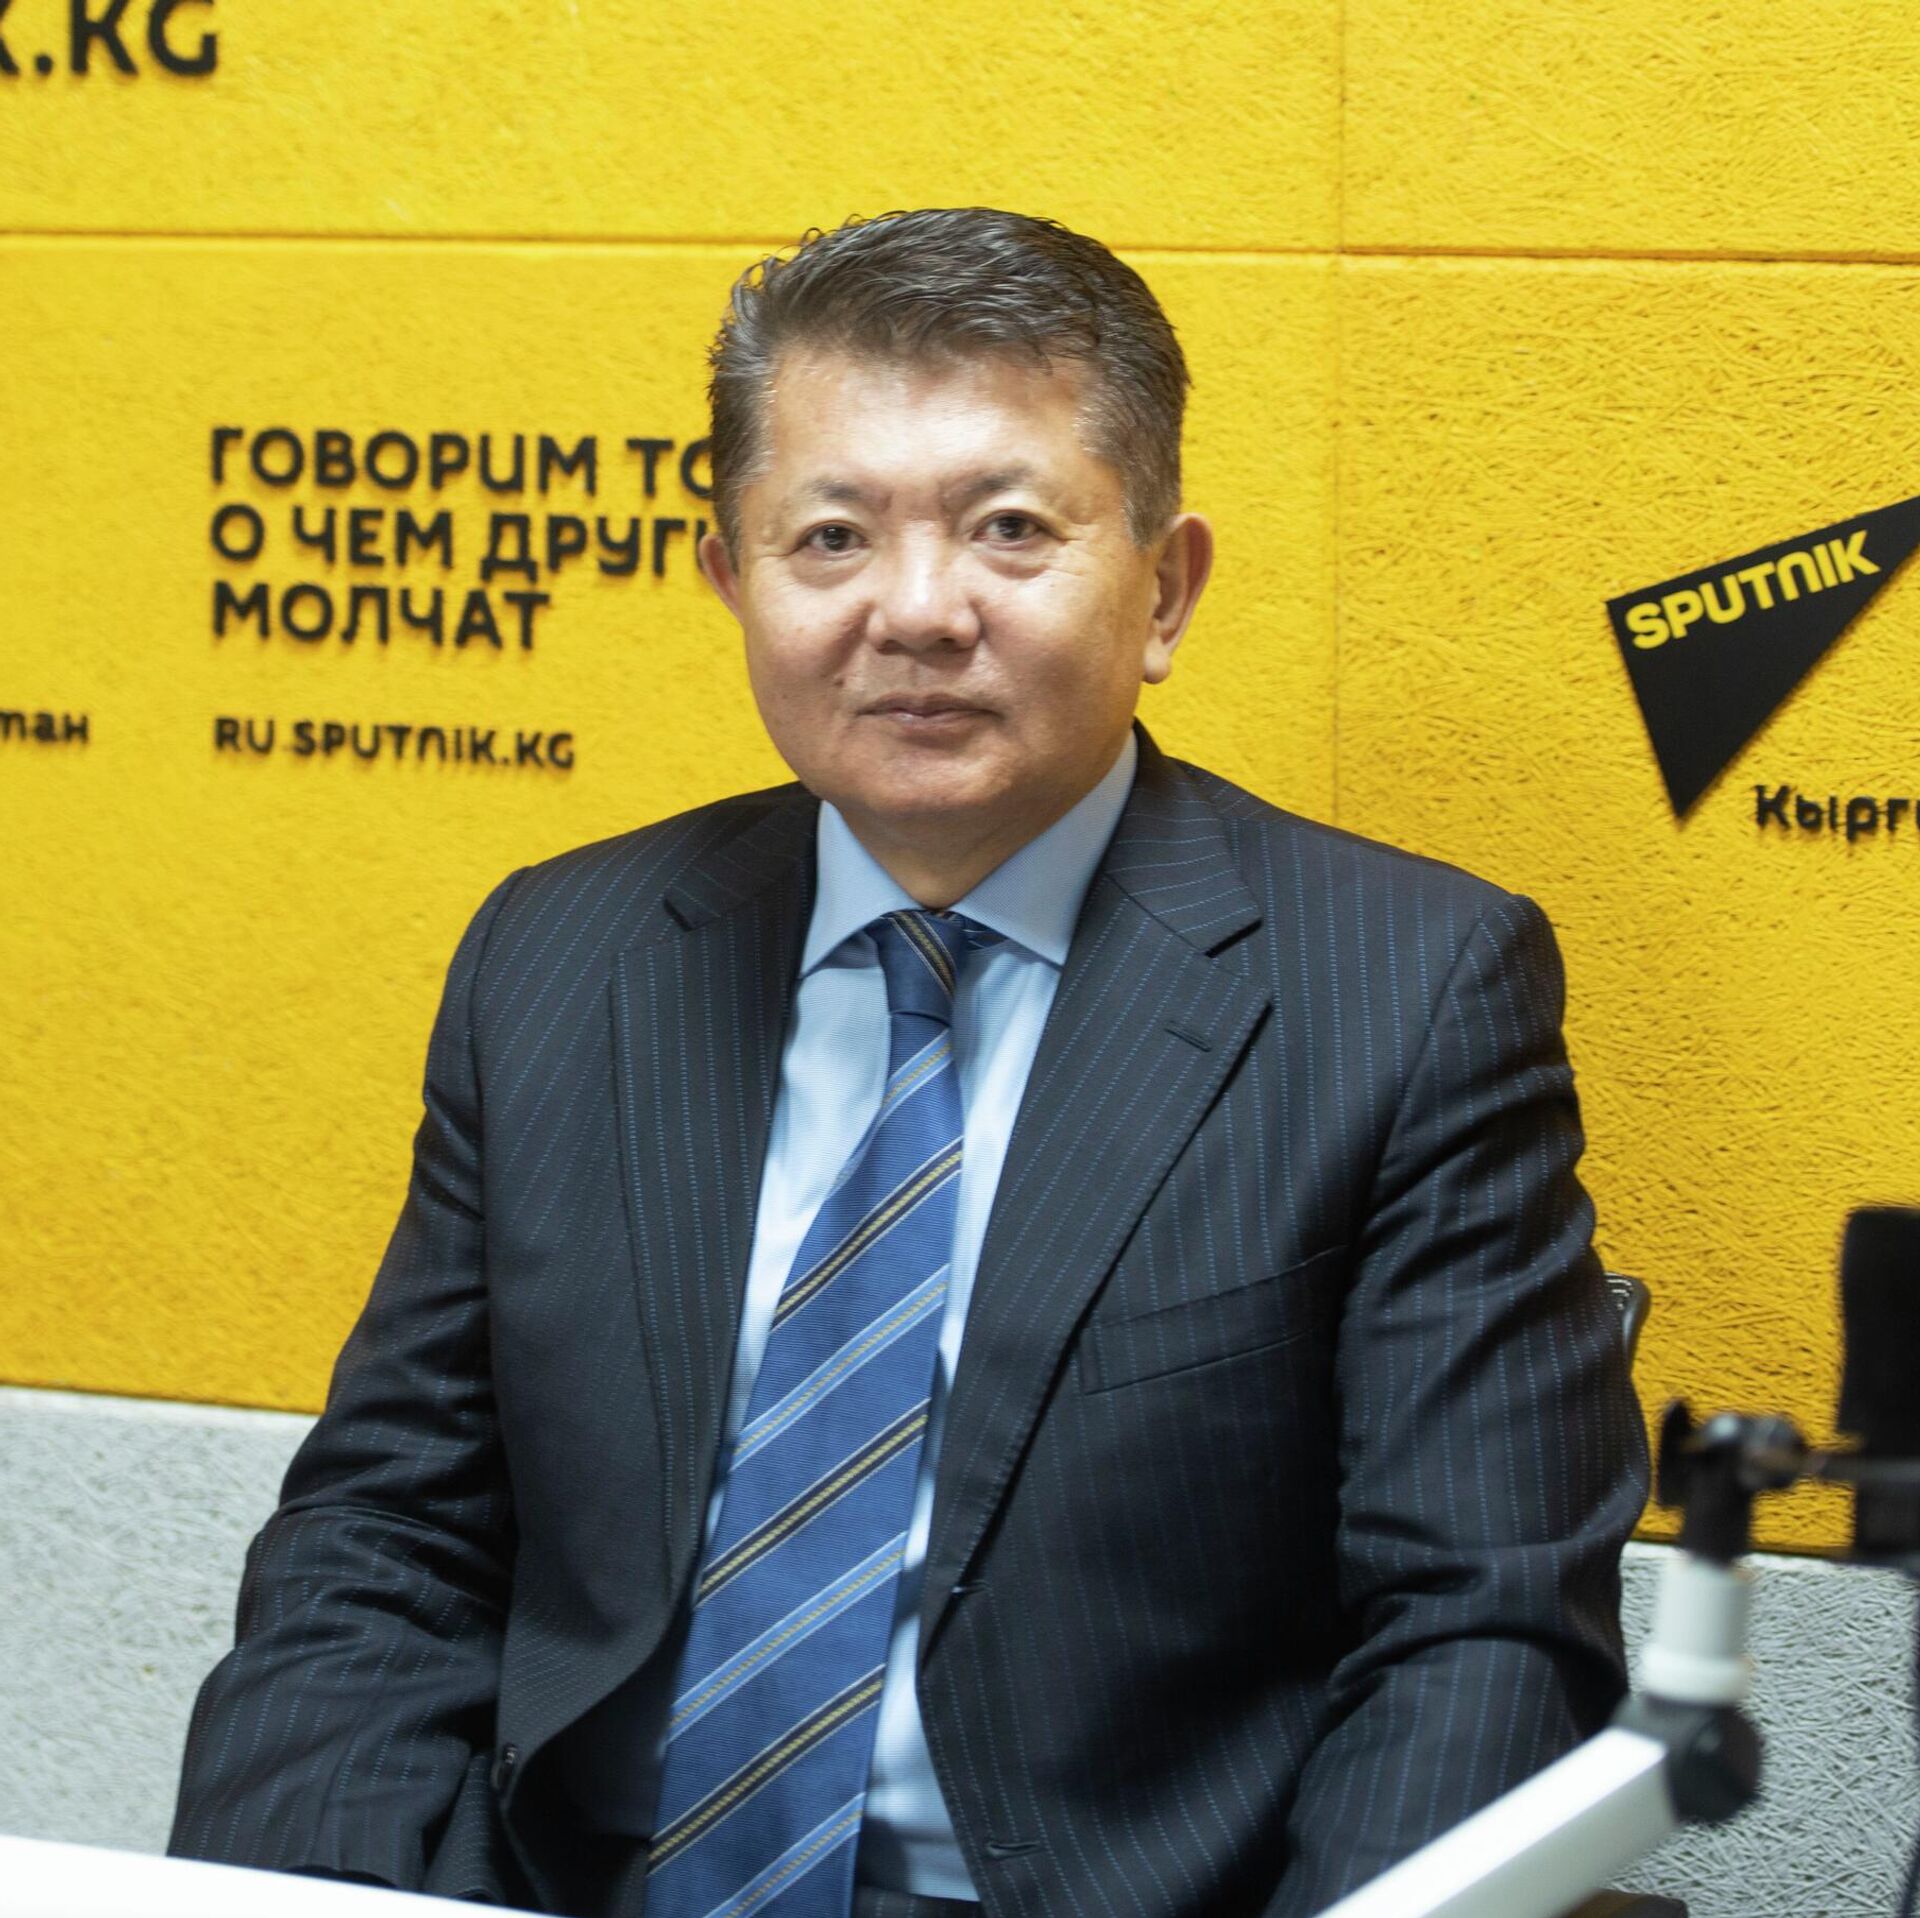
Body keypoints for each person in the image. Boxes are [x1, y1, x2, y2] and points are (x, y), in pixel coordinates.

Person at [170, 207, 1649, 1918]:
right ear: (733, 581)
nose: (919, 610)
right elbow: (383, 1545)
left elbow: (1479, 1630)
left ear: (1164, 588)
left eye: (1010, 529)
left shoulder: (1402, 990)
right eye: (831, 538)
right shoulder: (561, 957)